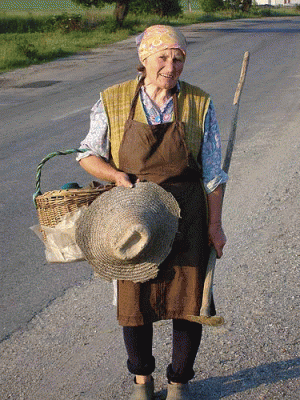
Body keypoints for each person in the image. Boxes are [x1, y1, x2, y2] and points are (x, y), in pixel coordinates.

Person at [77, 25, 228, 400]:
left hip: (187, 217)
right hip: (133, 218)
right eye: (163, 57)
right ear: (144, 59)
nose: (171, 66)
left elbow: (213, 174)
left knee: (189, 301)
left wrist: (215, 224)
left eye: (178, 58)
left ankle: (179, 382)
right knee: (135, 303)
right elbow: (87, 153)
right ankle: (142, 381)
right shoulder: (112, 100)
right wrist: (114, 175)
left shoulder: (199, 104)